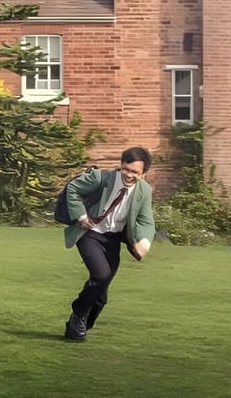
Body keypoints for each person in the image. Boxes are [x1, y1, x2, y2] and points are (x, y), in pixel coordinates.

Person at [62, 146, 155, 341]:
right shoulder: (100, 178)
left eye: (135, 172)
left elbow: (146, 220)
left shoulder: (144, 191)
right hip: (89, 234)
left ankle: (77, 327)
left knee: (101, 297)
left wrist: (144, 242)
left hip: (112, 240)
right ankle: (78, 314)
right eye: (125, 169)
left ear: (144, 173)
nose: (128, 175)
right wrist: (81, 215)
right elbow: (72, 188)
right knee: (101, 274)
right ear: (121, 165)